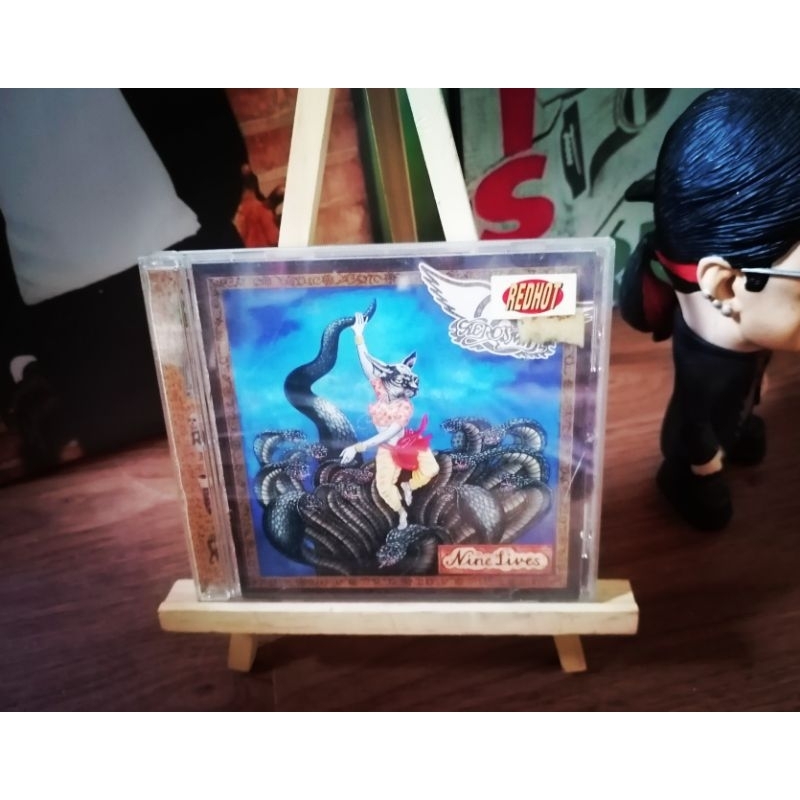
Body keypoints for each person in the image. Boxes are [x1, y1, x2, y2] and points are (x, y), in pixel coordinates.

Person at [0, 89, 247, 477]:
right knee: (145, 484)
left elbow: (200, 116)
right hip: (67, 317)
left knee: (251, 444)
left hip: (183, 252)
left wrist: (210, 215)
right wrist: (19, 359)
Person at [620, 88, 800, 531]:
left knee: (742, 398)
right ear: (726, 284)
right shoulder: (706, 363)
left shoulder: (759, 323)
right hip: (702, 435)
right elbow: (690, 421)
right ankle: (691, 475)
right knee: (703, 418)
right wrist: (704, 462)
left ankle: (737, 430)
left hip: (743, 366)